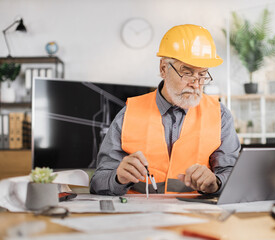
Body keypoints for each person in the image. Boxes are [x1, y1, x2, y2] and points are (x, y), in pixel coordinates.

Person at [90, 24, 240, 196]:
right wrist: (117, 178)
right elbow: (97, 182)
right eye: (188, 72)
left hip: (198, 218)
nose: (196, 83)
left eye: (202, 75)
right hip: (140, 217)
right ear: (163, 69)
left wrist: (216, 183)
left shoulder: (220, 115)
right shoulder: (128, 115)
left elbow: (233, 175)